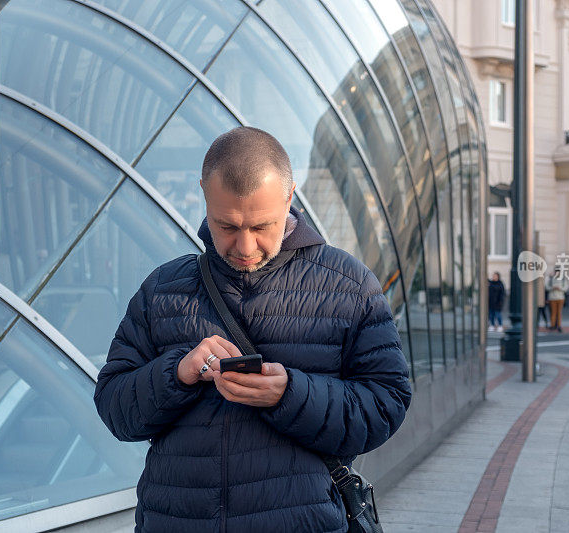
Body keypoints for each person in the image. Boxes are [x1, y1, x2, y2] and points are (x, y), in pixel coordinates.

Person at [93, 127, 412, 532]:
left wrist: (290, 394)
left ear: (290, 197)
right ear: (204, 196)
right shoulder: (162, 289)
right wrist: (178, 372)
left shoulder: (348, 285)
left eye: (262, 226)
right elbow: (114, 408)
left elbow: (387, 405)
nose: (245, 247)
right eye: (227, 226)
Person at [546, 267, 568, 333]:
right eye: (556, 271)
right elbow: (546, 287)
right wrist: (552, 288)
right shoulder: (551, 278)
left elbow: (566, 288)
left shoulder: (563, 279)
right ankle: (553, 325)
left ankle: (559, 326)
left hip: (560, 298)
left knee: (559, 313)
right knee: (553, 313)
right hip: (552, 298)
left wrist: (560, 288)